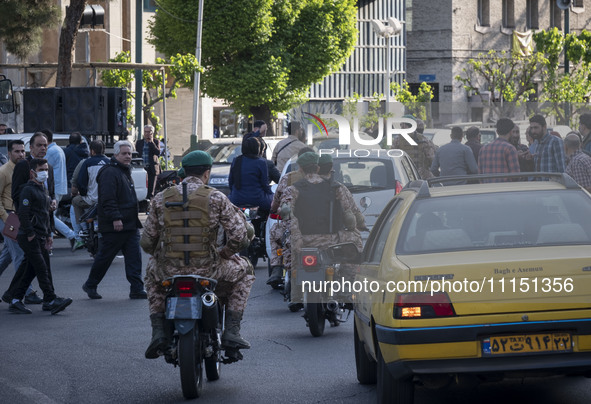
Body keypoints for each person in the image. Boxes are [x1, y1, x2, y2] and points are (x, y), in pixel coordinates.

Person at [141, 150, 255, 358]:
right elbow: (239, 235)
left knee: (151, 276)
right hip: (209, 270)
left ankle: (158, 332)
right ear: (207, 173)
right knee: (245, 271)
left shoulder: (160, 198)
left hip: (168, 270)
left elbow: (147, 242)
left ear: (183, 172)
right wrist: (225, 253)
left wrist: (160, 254)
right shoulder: (216, 197)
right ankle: (232, 331)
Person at [282, 152, 362, 312]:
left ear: (300, 169)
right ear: (317, 167)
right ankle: (345, 292)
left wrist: (297, 237)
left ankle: (296, 294)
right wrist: (352, 227)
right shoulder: (336, 187)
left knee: (289, 252)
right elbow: (350, 219)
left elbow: (287, 215)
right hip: (332, 241)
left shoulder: (293, 189)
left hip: (304, 242)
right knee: (356, 245)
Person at [6, 158, 73, 315]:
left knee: (31, 269)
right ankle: (50, 299)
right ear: (32, 173)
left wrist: (49, 233)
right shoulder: (27, 190)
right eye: (41, 170)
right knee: (41, 267)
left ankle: (14, 299)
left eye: (46, 170)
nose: (45, 173)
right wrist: (29, 233)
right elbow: (23, 213)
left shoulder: (43, 189)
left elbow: (47, 213)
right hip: (29, 236)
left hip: (41, 234)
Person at [82, 140, 146, 300]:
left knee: (134, 257)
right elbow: (108, 199)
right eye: (124, 153)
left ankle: (137, 288)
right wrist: (116, 218)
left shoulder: (124, 171)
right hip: (114, 225)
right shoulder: (110, 172)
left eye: (129, 153)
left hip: (130, 224)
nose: (127, 156)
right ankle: (90, 284)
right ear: (116, 155)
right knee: (105, 257)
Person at [267, 147, 314, 288]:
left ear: (299, 163)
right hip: (321, 229)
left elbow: (276, 202)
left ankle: (276, 268)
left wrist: (273, 210)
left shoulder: (289, 178)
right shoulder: (324, 180)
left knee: (274, 232)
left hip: (294, 231)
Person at [0, 140, 36, 303]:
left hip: (20, 216)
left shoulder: (25, 168)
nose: (21, 154)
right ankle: (26, 293)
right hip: (8, 216)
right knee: (20, 255)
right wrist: (6, 218)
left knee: (7, 256)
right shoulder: (3, 172)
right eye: (17, 151)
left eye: (23, 151)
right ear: (9, 153)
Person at [44, 129, 78, 248]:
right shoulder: (58, 149)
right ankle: (51, 244)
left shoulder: (51, 151)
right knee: (50, 215)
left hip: (54, 186)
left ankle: (71, 235)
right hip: (58, 186)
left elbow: (41, 165)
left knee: (50, 216)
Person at [72, 140, 109, 238]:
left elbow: (80, 182)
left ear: (92, 151)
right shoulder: (110, 162)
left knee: (75, 202)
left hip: (90, 200)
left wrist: (84, 194)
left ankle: (84, 229)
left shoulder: (87, 163)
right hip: (108, 201)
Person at [229, 137, 273, 212]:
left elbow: (231, 181)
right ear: (257, 149)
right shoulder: (261, 162)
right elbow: (265, 184)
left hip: (236, 199)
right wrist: (271, 193)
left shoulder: (236, 160)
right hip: (258, 199)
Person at [478, 118, 520, 182]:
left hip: (487, 189)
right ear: (511, 132)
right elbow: (515, 175)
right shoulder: (510, 149)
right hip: (504, 189)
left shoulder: (483, 149)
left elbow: (480, 175)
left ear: (497, 132)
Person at [135, 125, 161, 200]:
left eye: (149, 132)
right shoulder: (139, 142)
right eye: (145, 132)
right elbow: (137, 154)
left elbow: (158, 152)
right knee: (142, 188)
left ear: (152, 133)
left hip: (151, 168)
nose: (147, 134)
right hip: (141, 169)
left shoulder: (155, 142)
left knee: (151, 190)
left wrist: (151, 142)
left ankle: (150, 206)